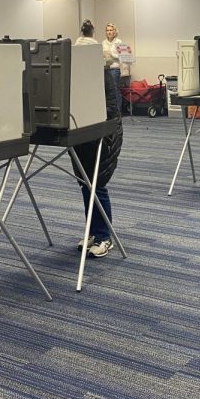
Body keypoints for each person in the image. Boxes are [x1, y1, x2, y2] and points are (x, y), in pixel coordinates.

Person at [72, 36, 123, 258]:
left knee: (97, 184)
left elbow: (111, 111)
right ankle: (93, 231)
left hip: (105, 136)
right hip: (82, 135)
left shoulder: (103, 76)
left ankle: (104, 237)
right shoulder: (75, 75)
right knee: (86, 184)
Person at [102, 22, 130, 111]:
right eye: (107, 30)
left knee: (114, 90)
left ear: (114, 31)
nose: (109, 32)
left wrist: (111, 54)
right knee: (107, 91)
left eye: (111, 30)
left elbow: (124, 56)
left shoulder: (119, 42)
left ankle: (118, 111)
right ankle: (109, 111)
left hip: (115, 69)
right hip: (106, 68)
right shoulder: (103, 42)